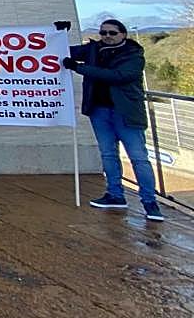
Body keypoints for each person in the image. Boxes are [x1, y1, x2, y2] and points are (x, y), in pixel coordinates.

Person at [60, 18, 164, 222]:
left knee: (138, 157)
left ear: (123, 34)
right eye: (103, 32)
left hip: (125, 113)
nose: (107, 36)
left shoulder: (134, 55)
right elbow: (63, 51)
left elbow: (118, 76)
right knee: (108, 154)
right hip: (99, 110)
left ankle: (150, 201)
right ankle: (115, 194)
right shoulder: (93, 50)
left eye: (112, 33)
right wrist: (59, 34)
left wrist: (79, 68)